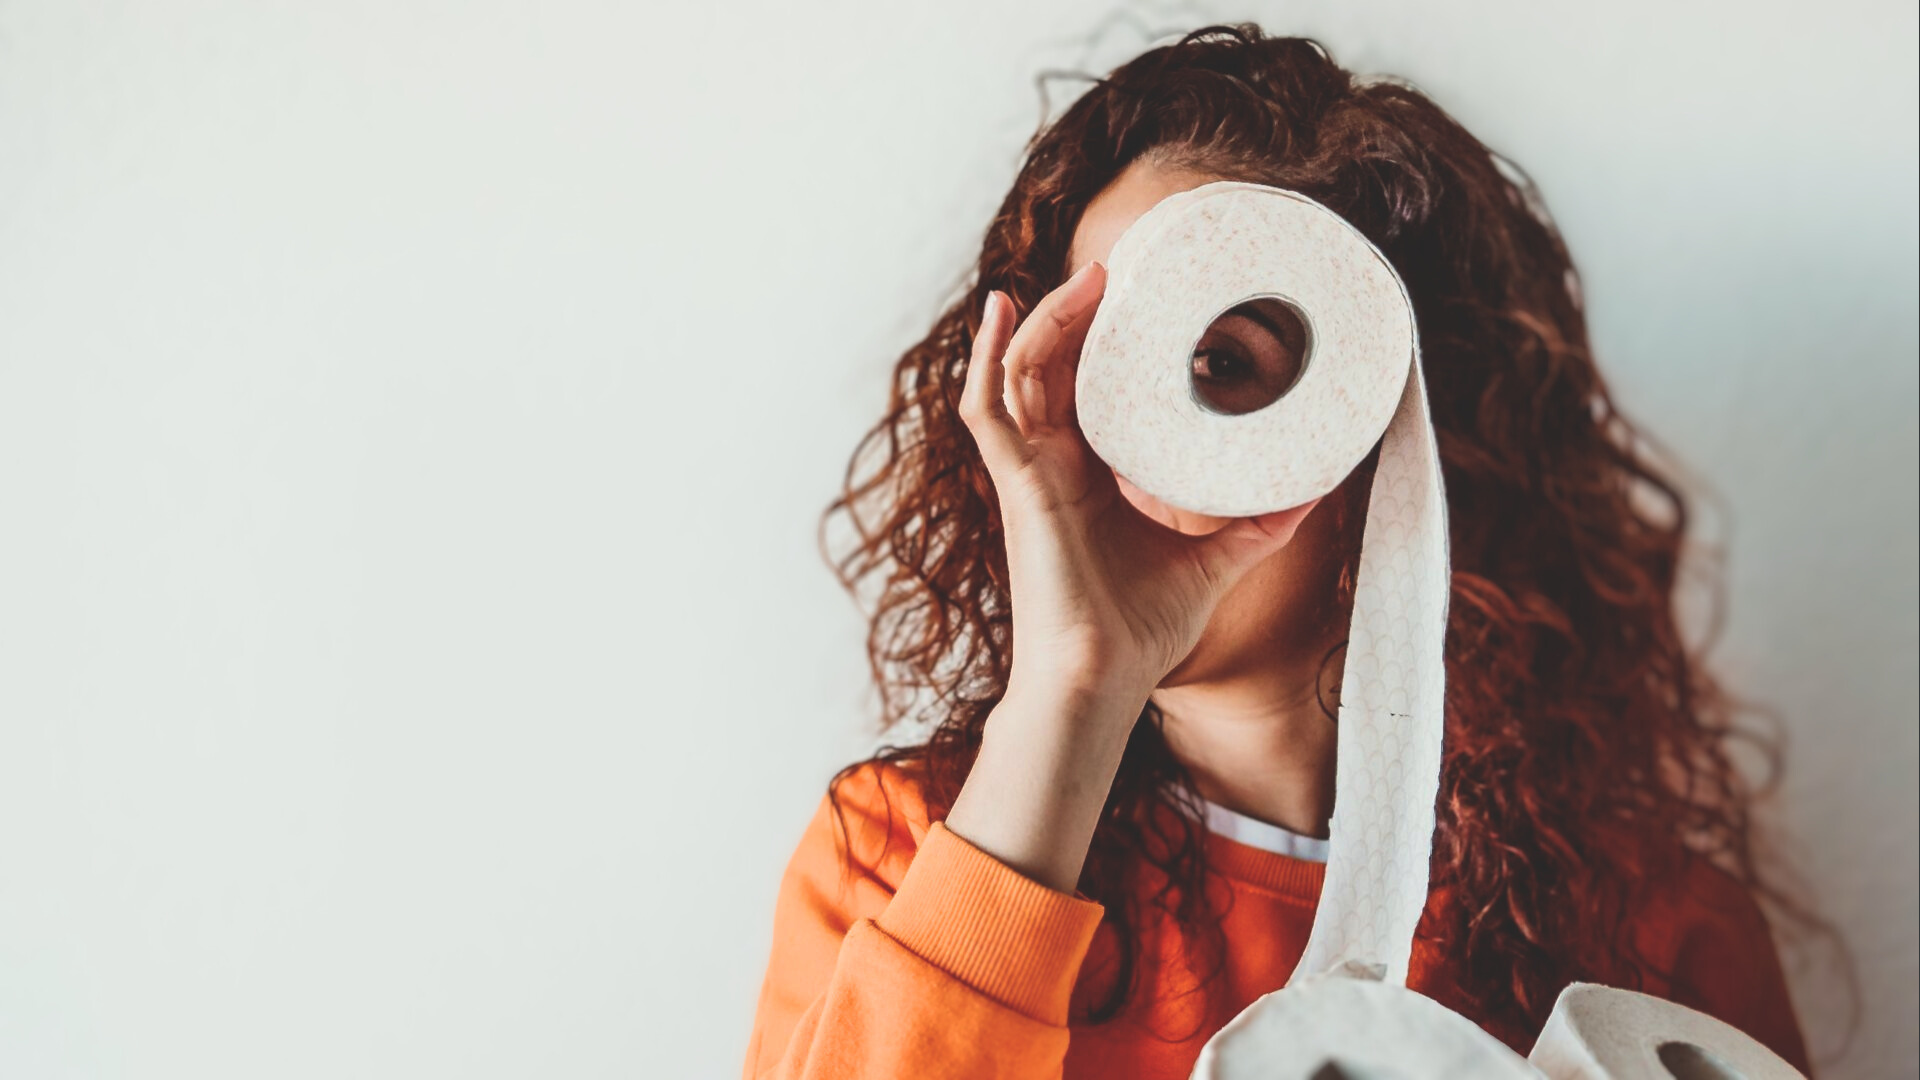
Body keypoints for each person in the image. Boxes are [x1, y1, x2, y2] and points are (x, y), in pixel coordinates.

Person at [742, 24, 1817, 1079]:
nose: (1116, 435)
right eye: (1089, 361)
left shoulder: (1655, 946)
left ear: (1395, 425)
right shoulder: (901, 861)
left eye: (1216, 360)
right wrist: (1073, 690)